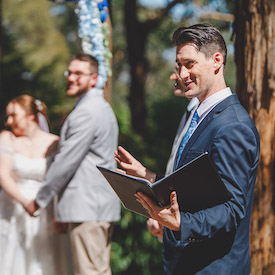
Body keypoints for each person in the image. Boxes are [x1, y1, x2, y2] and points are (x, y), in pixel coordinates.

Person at [115, 23, 260, 274]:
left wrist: (182, 223)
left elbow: (232, 209)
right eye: (179, 65)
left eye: (189, 64)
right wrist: (147, 176)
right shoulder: (200, 117)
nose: (182, 74)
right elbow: (196, 190)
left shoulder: (232, 126)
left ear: (217, 60)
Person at [25, 52, 121, 275]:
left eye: (79, 73)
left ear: (94, 78)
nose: (71, 77)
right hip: (94, 207)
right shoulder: (96, 107)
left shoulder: (87, 112)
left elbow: (66, 162)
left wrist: (40, 200)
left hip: (88, 208)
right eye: (70, 72)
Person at [0, 94, 71, 275]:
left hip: (45, 211)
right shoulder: (7, 139)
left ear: (30, 116)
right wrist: (26, 202)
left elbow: (61, 179)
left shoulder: (55, 142)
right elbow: (3, 175)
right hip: (13, 209)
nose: (8, 121)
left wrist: (58, 212)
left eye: (13, 115)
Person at [147, 72, 199, 240]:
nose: (173, 76)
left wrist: (179, 223)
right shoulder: (188, 115)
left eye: (184, 65)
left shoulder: (201, 117)